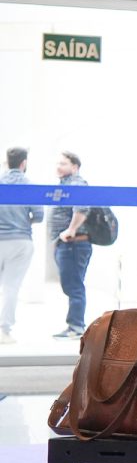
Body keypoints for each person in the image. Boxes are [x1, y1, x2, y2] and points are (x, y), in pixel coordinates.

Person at [0, 147, 43, 344]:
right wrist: (23, 221)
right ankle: (3, 331)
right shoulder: (29, 185)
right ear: (23, 163)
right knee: (11, 287)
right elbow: (39, 216)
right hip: (20, 241)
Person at [48, 151, 90, 339]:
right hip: (67, 244)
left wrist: (71, 229)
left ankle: (76, 327)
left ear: (75, 167)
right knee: (71, 285)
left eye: (63, 163)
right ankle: (75, 325)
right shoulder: (65, 184)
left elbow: (82, 208)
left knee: (74, 286)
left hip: (73, 244)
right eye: (58, 163)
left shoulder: (77, 183)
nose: (59, 166)